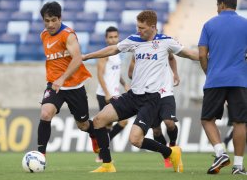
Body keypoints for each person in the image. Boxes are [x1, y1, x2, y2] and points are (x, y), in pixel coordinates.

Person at [83, 10, 198, 173]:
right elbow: (112, 49)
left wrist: (211, 56)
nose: (139, 30)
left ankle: (171, 152)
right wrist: (87, 56)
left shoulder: (166, 42)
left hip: (151, 100)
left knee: (135, 140)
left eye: (142, 28)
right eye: (138, 27)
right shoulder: (134, 40)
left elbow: (189, 53)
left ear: (153, 26)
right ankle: (107, 165)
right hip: (132, 97)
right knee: (99, 120)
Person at [37, 2, 96, 157]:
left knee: (83, 125)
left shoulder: (68, 35)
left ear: (60, 18)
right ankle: (40, 155)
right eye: (46, 20)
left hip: (74, 86)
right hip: (55, 85)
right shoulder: (43, 35)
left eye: (53, 20)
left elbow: (77, 59)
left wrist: (63, 78)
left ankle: (94, 134)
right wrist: (56, 80)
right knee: (45, 113)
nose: (50, 24)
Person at [198, 0, 247, 175]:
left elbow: (202, 54)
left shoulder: (209, 24)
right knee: (240, 122)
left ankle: (220, 153)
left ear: (222, 4)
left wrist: (208, 72)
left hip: (215, 79)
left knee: (207, 119)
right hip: (240, 80)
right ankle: (239, 167)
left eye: (217, 5)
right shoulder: (245, 24)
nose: (217, 8)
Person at [128, 53, 180, 168]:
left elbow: (171, 58)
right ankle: (166, 154)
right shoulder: (139, 51)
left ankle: (172, 145)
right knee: (156, 131)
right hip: (150, 96)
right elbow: (130, 73)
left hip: (166, 93)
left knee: (169, 123)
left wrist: (175, 74)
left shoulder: (163, 46)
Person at [94, 26, 129, 162]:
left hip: (114, 93)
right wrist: (107, 93)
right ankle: (102, 153)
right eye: (110, 37)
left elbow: (116, 73)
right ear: (106, 39)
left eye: (115, 37)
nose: (113, 39)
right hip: (105, 95)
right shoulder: (105, 54)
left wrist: (124, 83)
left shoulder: (117, 54)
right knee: (120, 122)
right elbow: (100, 75)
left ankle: (102, 153)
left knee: (109, 126)